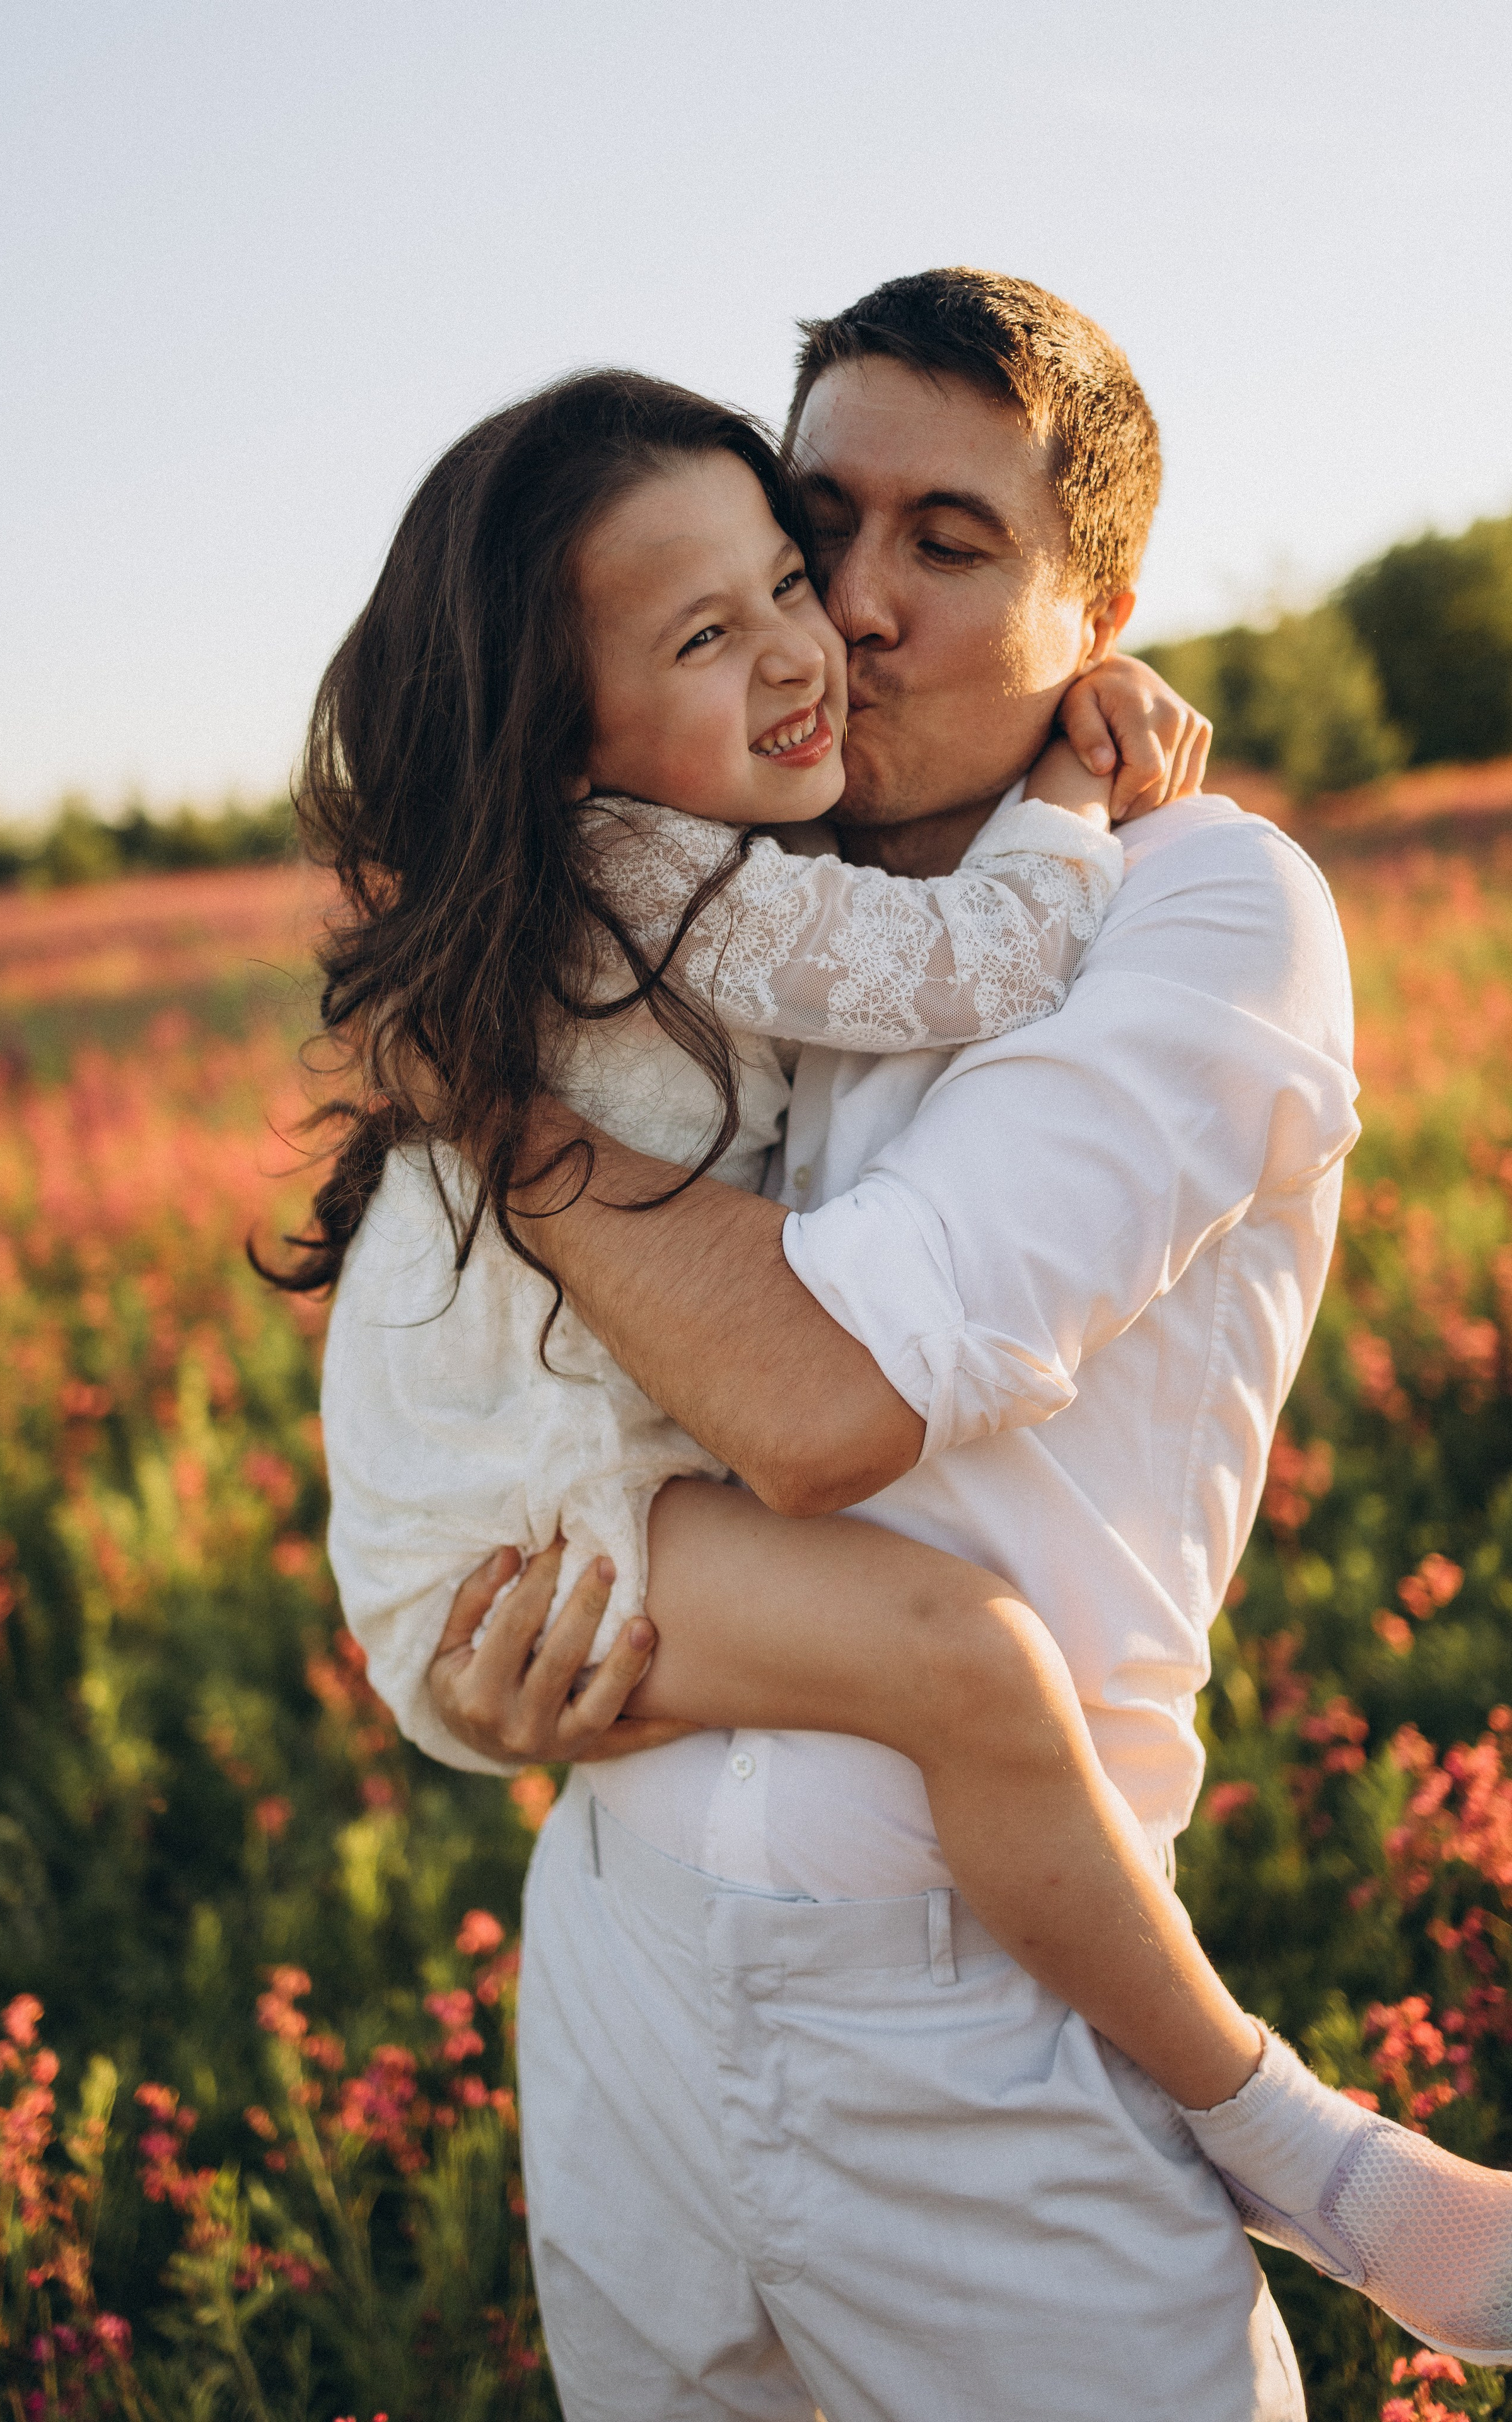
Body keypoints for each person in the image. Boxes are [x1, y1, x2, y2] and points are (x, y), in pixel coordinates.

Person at [406, 275, 1512, 2414]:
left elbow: (826, 1412)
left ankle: (1307, 2155)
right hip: (620, 1963)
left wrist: (484, 1091)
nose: (863, 602)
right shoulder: (720, 917)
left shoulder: (1208, 905)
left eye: (957, 540)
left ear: (1102, 609)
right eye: (821, 523)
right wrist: (480, 1668)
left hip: (977, 2022)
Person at [304, 361, 1274, 2130]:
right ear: (562, 725)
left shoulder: (674, 845)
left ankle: (1263, 2125)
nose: (811, 642)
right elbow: (977, 959)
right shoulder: (665, 870)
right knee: (966, 1661)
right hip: (512, 1531)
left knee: (960, 1663)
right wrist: (1070, 775)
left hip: (500, 1517)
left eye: (782, 582)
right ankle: (1269, 2120)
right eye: (706, 635)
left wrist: (1097, 683)